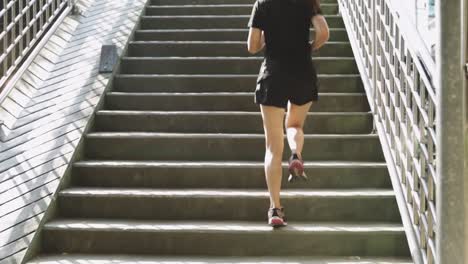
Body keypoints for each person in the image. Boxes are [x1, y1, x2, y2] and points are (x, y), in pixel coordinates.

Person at [247, 0, 329, 227]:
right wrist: (309, 47)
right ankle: (296, 154)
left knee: (273, 147)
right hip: (302, 72)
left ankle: (275, 209)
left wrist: (268, 35)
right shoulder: (307, 2)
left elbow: (252, 46)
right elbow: (323, 32)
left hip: (273, 75)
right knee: (294, 126)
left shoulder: (262, 4)